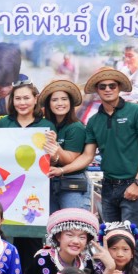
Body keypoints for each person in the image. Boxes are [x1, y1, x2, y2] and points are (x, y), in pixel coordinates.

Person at [74, 67, 138, 235]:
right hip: (108, 185)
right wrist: (60, 169)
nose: (107, 89)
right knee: (110, 239)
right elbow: (88, 156)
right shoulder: (94, 121)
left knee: (130, 241)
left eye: (112, 85)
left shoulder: (137, 111)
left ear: (119, 88)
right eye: (102, 86)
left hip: (133, 183)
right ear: (97, 90)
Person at [40, 79, 93, 212]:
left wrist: (55, 146)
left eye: (64, 99)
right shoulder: (44, 126)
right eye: (55, 100)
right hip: (49, 180)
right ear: (48, 104)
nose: (60, 103)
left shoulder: (76, 127)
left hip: (72, 181)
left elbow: (69, 158)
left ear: (70, 103)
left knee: (71, 224)